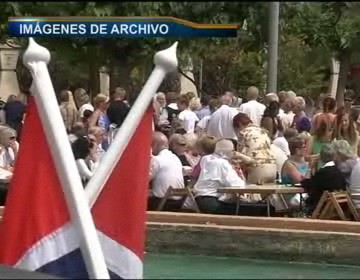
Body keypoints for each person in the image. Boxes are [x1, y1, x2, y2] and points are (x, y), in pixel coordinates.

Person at [193, 139, 245, 215]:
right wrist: (243, 179)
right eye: (233, 151)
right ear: (227, 152)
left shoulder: (206, 159)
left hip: (200, 200)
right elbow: (237, 185)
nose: (234, 154)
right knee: (253, 208)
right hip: (213, 203)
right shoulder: (222, 163)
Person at [301, 144, 347, 214]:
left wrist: (310, 168)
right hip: (337, 210)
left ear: (321, 157)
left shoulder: (322, 173)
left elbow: (305, 183)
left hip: (321, 209)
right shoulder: (339, 171)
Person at [233, 113, 277, 184]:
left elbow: (240, 158)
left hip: (257, 169)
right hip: (272, 168)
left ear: (238, 125)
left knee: (252, 194)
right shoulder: (263, 132)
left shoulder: (243, 133)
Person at [149, 132, 185, 211]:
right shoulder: (175, 158)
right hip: (178, 202)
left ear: (154, 145)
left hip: (162, 202)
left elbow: (145, 180)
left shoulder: (157, 159)